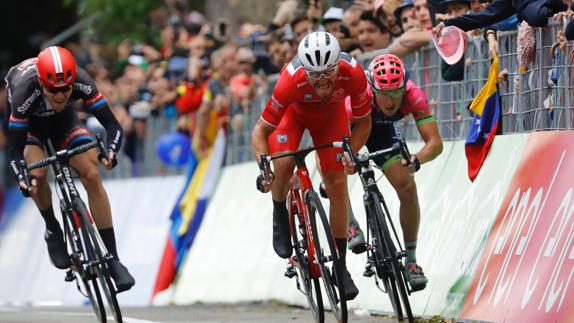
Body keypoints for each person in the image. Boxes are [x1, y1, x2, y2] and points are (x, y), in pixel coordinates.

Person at [251, 31, 372, 301]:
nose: (322, 81)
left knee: (338, 186)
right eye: (314, 75)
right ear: (304, 71)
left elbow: (364, 123)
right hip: (293, 116)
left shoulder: (352, 73)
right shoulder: (289, 81)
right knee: (282, 164)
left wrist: (350, 152)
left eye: (328, 73)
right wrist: (263, 166)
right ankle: (280, 211)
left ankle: (340, 267)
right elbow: (260, 131)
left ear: (337, 66)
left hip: (331, 118)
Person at [6, 46, 135, 292]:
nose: (60, 95)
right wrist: (22, 175)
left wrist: (110, 151)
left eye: (65, 89)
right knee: (38, 174)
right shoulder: (25, 90)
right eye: (53, 90)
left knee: (92, 173)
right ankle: (52, 227)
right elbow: (14, 151)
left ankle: (113, 259)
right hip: (30, 126)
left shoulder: (80, 81)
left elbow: (112, 125)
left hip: (63, 121)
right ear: (42, 84)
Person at [349, 54, 443, 291]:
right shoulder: (358, 96)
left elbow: (435, 143)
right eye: (384, 95)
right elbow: (330, 140)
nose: (390, 102)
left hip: (382, 131)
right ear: (373, 89)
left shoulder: (413, 94)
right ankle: (350, 224)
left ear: (404, 87)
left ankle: (411, 261)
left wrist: (416, 159)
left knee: (407, 186)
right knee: (333, 169)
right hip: (352, 127)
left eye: (395, 94)